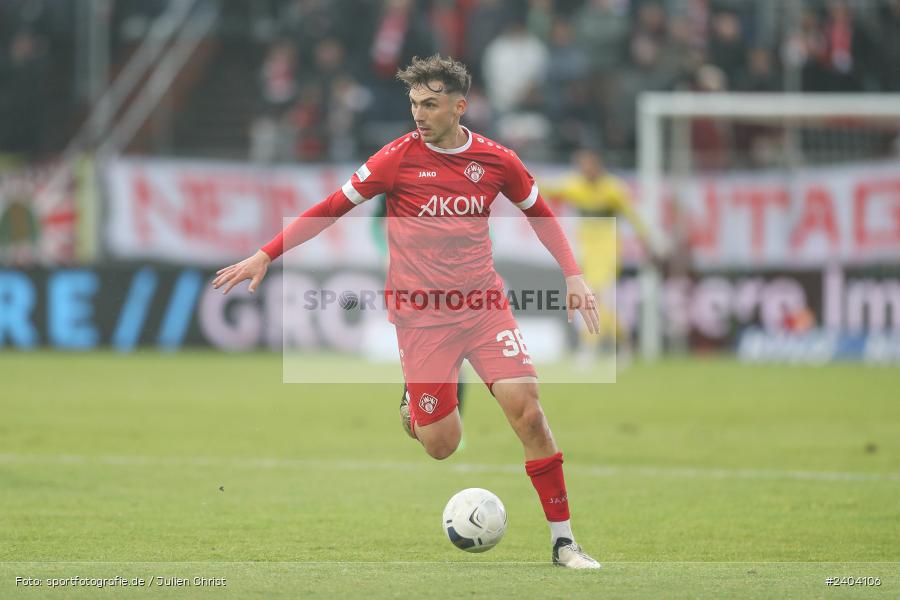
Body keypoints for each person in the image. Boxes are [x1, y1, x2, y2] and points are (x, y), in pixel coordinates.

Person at [213, 54, 601, 569]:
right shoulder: (395, 158)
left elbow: (540, 213)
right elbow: (332, 206)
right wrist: (267, 253)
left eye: (431, 104)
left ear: (460, 106)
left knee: (528, 412)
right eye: (414, 103)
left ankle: (564, 542)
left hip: (484, 308)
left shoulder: (497, 161)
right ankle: (415, 408)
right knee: (441, 444)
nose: (419, 114)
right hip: (422, 319)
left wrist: (572, 273)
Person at [542, 148, 658, 367]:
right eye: (581, 166)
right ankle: (624, 344)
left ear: (597, 166)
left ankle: (590, 348)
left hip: (609, 251)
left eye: (588, 165)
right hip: (586, 252)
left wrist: (647, 240)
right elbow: (546, 189)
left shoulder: (613, 189)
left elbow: (634, 216)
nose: (585, 170)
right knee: (600, 301)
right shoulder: (574, 186)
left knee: (596, 298)